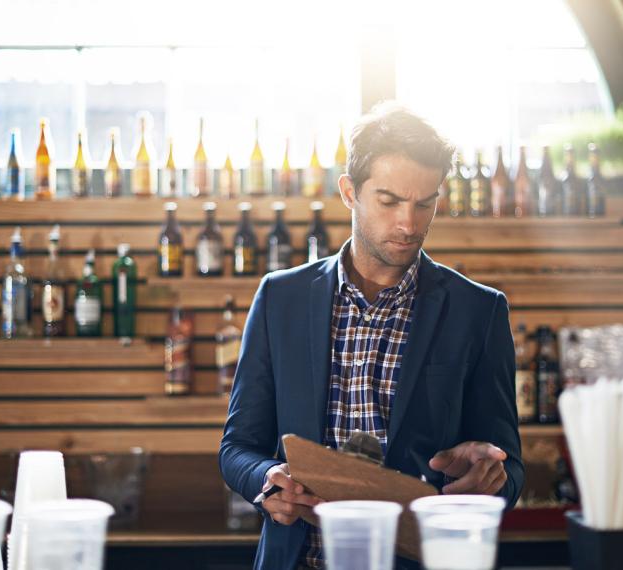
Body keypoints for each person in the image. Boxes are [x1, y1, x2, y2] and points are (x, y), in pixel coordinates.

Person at [219, 102, 523, 570]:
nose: (409, 223)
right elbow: (237, 447)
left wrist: (489, 476)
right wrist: (267, 482)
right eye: (389, 201)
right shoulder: (281, 299)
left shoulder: (479, 311)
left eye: (426, 203)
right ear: (349, 192)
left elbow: (511, 469)